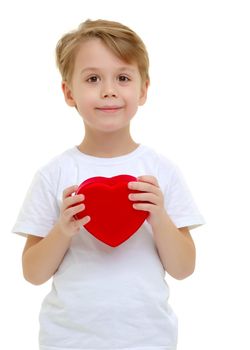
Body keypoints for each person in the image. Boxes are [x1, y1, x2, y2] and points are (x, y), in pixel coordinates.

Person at [12, 19, 205, 350]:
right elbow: (32, 273)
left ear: (143, 89)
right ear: (68, 92)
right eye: (92, 79)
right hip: (68, 339)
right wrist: (63, 229)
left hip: (149, 339)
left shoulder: (162, 171)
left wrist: (158, 216)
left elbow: (184, 268)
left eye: (123, 78)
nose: (109, 90)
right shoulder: (54, 174)